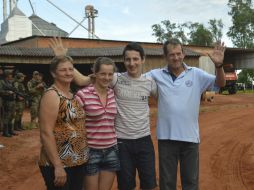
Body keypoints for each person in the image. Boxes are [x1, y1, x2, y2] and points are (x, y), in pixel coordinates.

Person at [49, 37, 157, 190]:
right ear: (124, 61)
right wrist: (61, 57)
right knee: (126, 185)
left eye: (135, 59)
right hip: (120, 142)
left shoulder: (150, 82)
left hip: (142, 140)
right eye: (128, 59)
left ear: (143, 60)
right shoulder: (114, 79)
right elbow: (82, 80)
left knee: (150, 184)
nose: (132, 63)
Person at [146, 38, 226, 190]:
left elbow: (220, 84)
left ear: (183, 54)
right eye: (171, 54)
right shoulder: (156, 74)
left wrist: (219, 65)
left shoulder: (196, 74)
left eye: (178, 53)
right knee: (167, 183)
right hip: (166, 138)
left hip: (190, 139)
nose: (176, 57)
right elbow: (135, 80)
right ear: (165, 56)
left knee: (190, 182)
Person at [38, 55, 89, 190]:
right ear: (54, 73)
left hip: (78, 160)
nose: (68, 73)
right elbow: (46, 132)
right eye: (63, 70)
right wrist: (58, 166)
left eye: (71, 69)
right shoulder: (52, 95)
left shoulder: (72, 95)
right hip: (60, 163)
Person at [75, 57, 120, 190]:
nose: (107, 77)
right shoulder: (82, 95)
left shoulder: (113, 93)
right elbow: (75, 125)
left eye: (110, 74)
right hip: (91, 151)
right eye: (102, 74)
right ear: (94, 74)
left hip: (112, 149)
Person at [0, 70, 18, 137]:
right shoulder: (2, 82)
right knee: (7, 116)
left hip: (12, 100)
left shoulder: (9, 82)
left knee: (12, 116)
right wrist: (8, 92)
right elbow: (0, 91)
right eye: (10, 74)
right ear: (7, 75)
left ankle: (11, 131)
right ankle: (5, 132)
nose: (11, 75)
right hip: (6, 101)